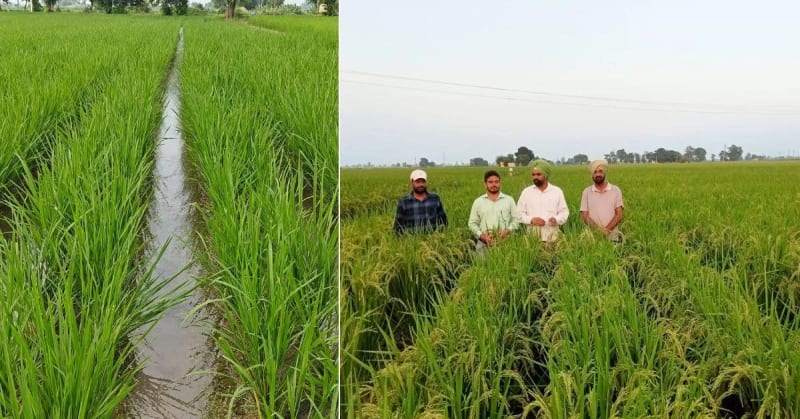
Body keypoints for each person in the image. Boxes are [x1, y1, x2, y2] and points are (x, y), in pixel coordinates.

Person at [468, 170, 521, 254]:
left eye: (496, 182)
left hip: (505, 244)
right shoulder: (478, 202)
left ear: (500, 183)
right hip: (483, 245)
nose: (494, 185)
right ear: (485, 184)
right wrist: (483, 236)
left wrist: (507, 231)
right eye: (490, 182)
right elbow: (472, 223)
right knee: (483, 266)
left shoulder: (509, 200)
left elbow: (517, 220)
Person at [517, 160, 569, 242]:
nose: (535, 177)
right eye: (533, 175)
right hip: (532, 240)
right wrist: (532, 220)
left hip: (553, 239)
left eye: (538, 174)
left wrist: (556, 219)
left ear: (546, 175)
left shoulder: (557, 191)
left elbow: (564, 212)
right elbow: (519, 214)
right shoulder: (526, 192)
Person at [580, 159, 624, 242]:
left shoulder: (615, 190)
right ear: (592, 175)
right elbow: (585, 216)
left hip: (613, 238)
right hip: (593, 239)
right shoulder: (587, 192)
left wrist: (606, 230)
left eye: (600, 171)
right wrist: (598, 231)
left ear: (605, 172)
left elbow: (619, 215)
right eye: (595, 172)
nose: (598, 174)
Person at [393, 169, 448, 235]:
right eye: (418, 182)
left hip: (433, 240)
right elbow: (398, 226)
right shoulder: (404, 202)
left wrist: (441, 237)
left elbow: (443, 221)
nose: (421, 184)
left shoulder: (435, 198)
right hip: (412, 242)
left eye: (423, 181)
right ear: (412, 182)